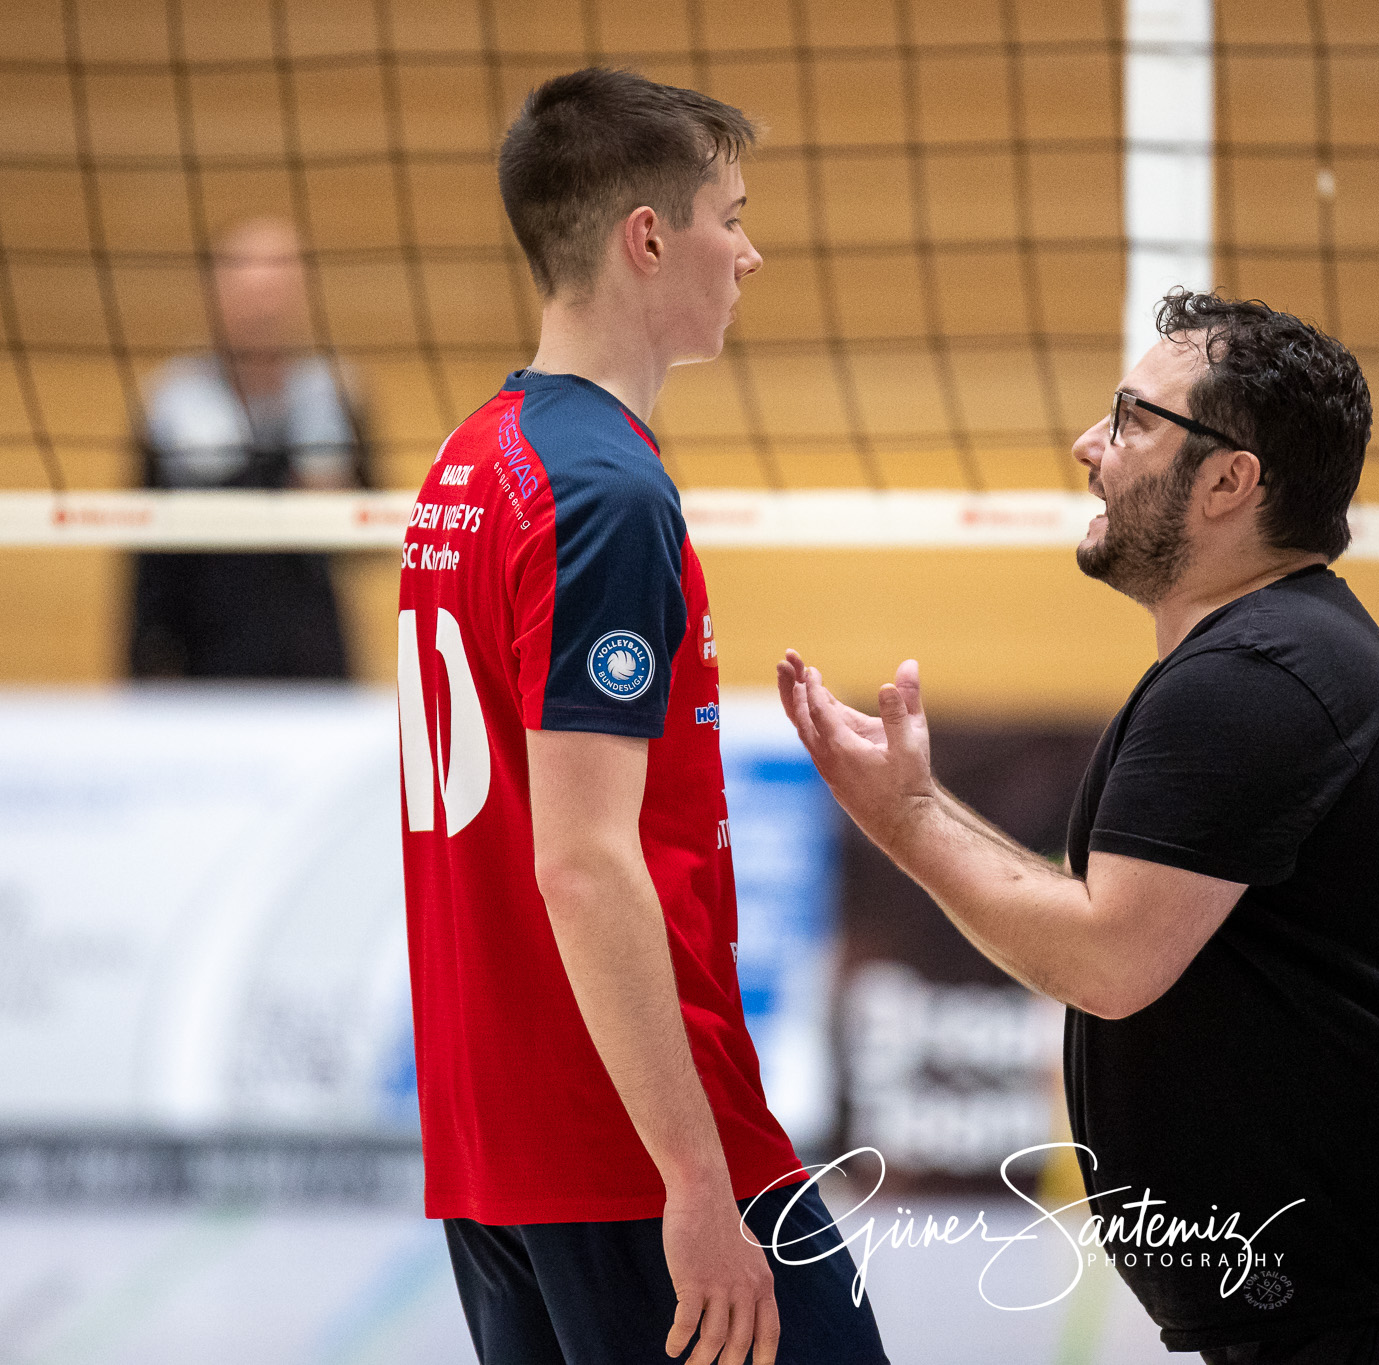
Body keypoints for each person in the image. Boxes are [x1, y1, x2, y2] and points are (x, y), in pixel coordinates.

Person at [779, 291, 1379, 1364]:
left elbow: (1106, 956)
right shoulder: (1262, 657)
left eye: (1130, 420)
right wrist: (913, 811)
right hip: (1375, 1285)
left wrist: (908, 822)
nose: (1088, 446)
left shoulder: (1256, 676)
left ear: (1226, 479)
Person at [398, 69, 887, 1365]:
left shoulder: (472, 458)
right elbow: (583, 859)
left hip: (495, 1147)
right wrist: (695, 1174)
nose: (752, 250)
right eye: (730, 213)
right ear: (649, 236)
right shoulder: (602, 491)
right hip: (624, 1144)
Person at [129, 217, 369, 679]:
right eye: (248, 286)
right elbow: (146, 561)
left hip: (315, 664)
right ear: (214, 290)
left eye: (278, 285)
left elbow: (377, 531)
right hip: (203, 666)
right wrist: (146, 670)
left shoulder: (334, 395)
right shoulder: (171, 403)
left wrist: (331, 503)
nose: (263, 305)